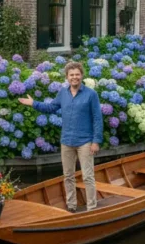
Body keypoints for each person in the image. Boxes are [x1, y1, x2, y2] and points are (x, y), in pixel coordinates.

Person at [19, 61, 103, 212]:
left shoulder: (91, 95)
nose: (74, 77)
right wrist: (34, 103)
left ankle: (92, 208)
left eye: (77, 74)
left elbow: (97, 119)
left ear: (82, 76)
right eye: (71, 75)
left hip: (85, 141)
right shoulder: (62, 93)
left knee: (87, 177)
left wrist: (96, 141)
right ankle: (71, 206)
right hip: (67, 141)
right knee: (68, 176)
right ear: (67, 77)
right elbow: (51, 107)